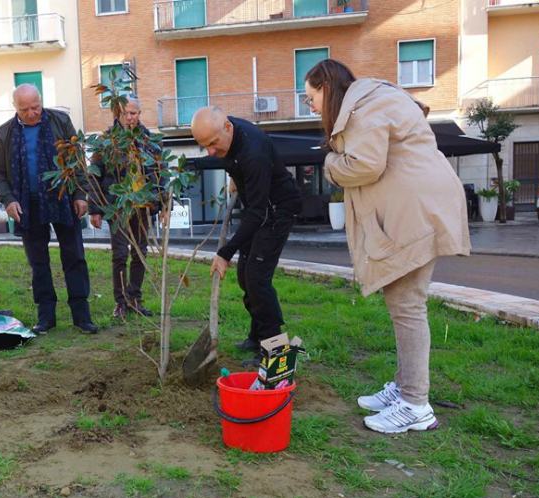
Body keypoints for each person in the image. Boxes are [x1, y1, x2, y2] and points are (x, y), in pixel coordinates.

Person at [304, 59, 470, 434]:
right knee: (404, 304)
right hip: (419, 206)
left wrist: (330, 162)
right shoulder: (371, 100)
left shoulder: (364, 108)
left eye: (310, 96)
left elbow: (364, 165)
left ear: (326, 88)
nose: (310, 105)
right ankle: (406, 388)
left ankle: (415, 405)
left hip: (415, 212)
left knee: (407, 305)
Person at [190, 106, 302, 364]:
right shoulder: (229, 139)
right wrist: (237, 178)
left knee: (257, 280)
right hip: (258, 206)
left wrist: (225, 252)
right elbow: (237, 165)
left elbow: (257, 213)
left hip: (276, 210)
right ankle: (257, 336)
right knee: (245, 276)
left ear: (227, 127)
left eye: (213, 144)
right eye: (204, 146)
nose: (210, 152)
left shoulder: (254, 152)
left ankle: (276, 352)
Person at [0, 84, 98, 335]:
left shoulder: (60, 121)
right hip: (28, 204)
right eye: (25, 109)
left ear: (41, 101)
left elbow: (77, 160)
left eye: (35, 107)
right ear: (15, 107)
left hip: (64, 199)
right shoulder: (4, 132)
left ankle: (81, 315)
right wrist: (8, 200)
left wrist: (81, 194)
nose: (32, 113)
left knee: (75, 257)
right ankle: (46, 317)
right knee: (38, 262)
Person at [89, 97, 162, 319]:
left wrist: (163, 201)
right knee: (120, 255)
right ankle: (120, 303)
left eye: (134, 113)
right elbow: (94, 174)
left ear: (140, 114)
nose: (130, 118)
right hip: (118, 206)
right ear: (118, 115)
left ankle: (135, 299)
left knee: (140, 254)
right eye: (126, 114)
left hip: (143, 206)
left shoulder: (149, 141)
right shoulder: (107, 140)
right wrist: (95, 208)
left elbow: (160, 173)